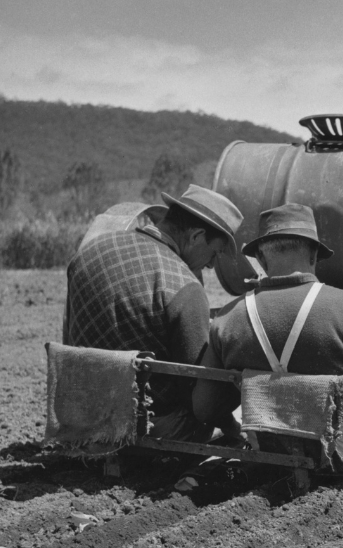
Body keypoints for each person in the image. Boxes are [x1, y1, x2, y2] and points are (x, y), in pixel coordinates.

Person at [193, 203, 343, 471]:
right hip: (340, 451)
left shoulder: (227, 318)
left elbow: (205, 409)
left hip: (268, 451)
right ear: (314, 255)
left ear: (261, 257)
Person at [63, 183, 243, 443]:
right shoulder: (184, 285)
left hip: (83, 418)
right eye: (215, 253)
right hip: (147, 430)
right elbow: (198, 391)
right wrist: (230, 426)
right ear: (195, 237)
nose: (213, 264)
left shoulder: (89, 251)